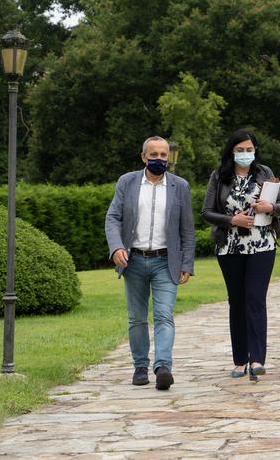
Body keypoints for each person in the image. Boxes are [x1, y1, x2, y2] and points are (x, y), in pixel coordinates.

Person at [105, 136, 195, 391]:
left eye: (163, 155)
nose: (159, 159)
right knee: (137, 318)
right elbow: (113, 217)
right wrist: (116, 248)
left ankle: (163, 367)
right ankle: (140, 367)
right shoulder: (127, 182)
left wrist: (186, 263)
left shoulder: (180, 186)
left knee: (165, 315)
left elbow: (187, 229)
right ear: (144, 157)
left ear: (169, 157)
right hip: (133, 260)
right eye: (153, 155)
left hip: (166, 261)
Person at [202, 129, 280, 380]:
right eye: (240, 150)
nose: (245, 154)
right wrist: (232, 220)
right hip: (229, 247)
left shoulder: (265, 173)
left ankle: (257, 359)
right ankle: (240, 360)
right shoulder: (219, 176)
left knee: (255, 299)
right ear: (231, 151)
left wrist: (270, 207)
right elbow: (207, 212)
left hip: (261, 245)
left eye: (249, 149)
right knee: (237, 301)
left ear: (255, 150)